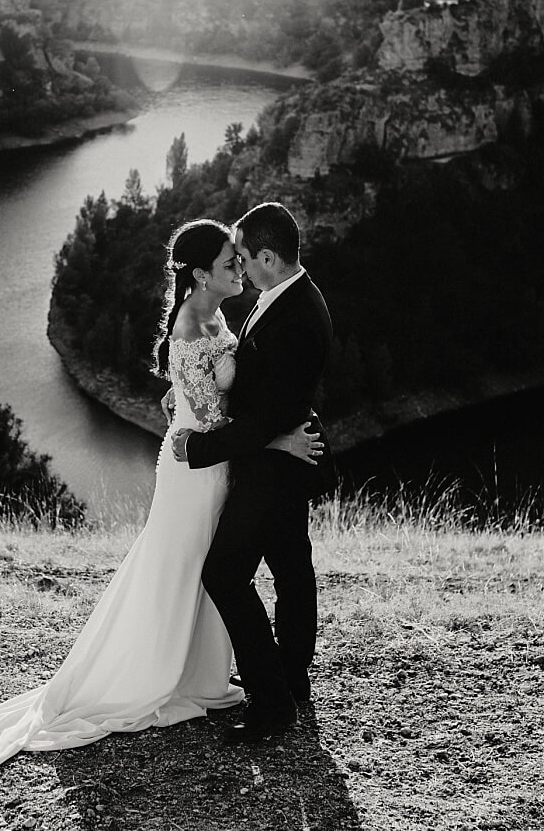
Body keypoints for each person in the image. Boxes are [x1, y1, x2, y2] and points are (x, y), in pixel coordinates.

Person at [0, 218, 322, 814]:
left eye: (241, 257)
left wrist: (186, 396)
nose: (238, 265)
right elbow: (210, 410)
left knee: (213, 567)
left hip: (219, 466)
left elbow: (215, 393)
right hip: (196, 471)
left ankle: (208, 674)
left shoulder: (224, 315)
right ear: (201, 274)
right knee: (180, 564)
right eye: (229, 259)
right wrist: (269, 439)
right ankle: (156, 673)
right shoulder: (198, 322)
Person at [171, 201, 334, 745]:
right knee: (291, 568)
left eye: (243, 256)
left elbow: (267, 413)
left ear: (267, 256)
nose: (238, 265)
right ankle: (289, 678)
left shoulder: (299, 316)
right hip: (278, 456)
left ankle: (271, 701)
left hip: (273, 468)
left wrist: (199, 449)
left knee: (224, 574)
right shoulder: (278, 296)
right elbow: (259, 392)